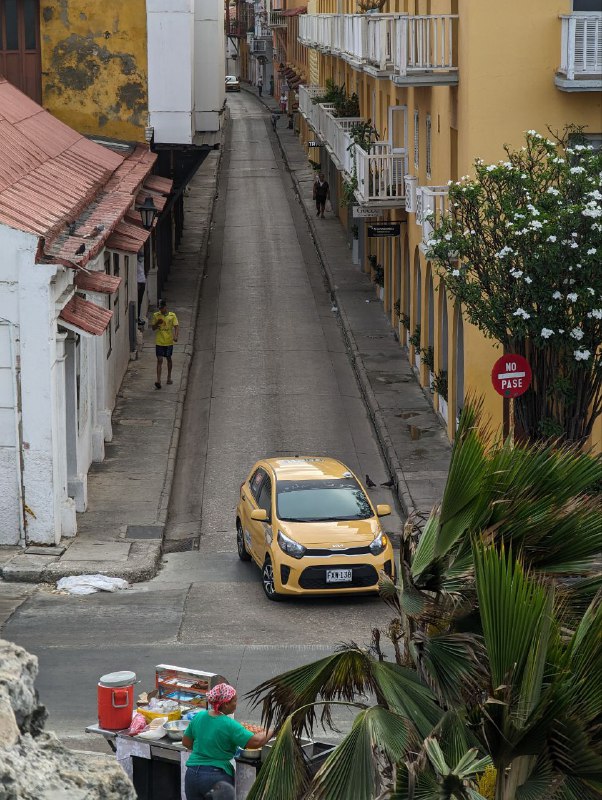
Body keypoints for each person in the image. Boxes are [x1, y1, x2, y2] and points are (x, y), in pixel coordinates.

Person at [182, 683, 274, 800]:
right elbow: (256, 741)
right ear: (225, 704)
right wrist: (273, 730)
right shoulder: (228, 724)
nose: (236, 704)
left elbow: (186, 742)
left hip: (192, 775)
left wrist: (205, 748)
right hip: (215, 777)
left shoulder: (199, 716)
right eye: (234, 701)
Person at [151, 299, 179, 389]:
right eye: (160, 308)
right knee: (159, 360)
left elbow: (176, 326)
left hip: (168, 341)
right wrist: (157, 323)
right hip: (159, 341)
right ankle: (158, 380)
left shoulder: (172, 316)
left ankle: (169, 377)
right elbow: (153, 328)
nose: (161, 310)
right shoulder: (156, 315)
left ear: (165, 307)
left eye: (162, 308)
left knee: (168, 358)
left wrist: (176, 336)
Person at [136, 249, 146, 325]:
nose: (142, 258)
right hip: (139, 283)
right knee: (138, 301)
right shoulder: (136, 264)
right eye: (141, 257)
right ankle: (138, 318)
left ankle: (139, 317)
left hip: (142, 282)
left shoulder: (141, 262)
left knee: (140, 301)